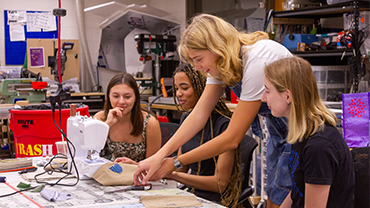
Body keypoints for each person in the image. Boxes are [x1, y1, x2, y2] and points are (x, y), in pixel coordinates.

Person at [134, 14, 292, 207]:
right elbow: (198, 115)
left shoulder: (257, 60)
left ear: (218, 48)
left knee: (287, 197)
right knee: (275, 197)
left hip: (299, 131)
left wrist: (175, 162)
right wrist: (159, 157)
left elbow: (232, 138)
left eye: (199, 59)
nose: (197, 67)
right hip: (278, 131)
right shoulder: (222, 64)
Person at [262, 56, 355, 208]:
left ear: (287, 95)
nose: (263, 98)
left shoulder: (319, 147)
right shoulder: (303, 132)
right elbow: (297, 192)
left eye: (267, 91)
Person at [166, 63, 241, 207]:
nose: (178, 93)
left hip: (216, 201)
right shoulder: (186, 119)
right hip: (191, 195)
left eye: (184, 88)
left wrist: (172, 174)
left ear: (202, 88)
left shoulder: (225, 125)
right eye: (176, 88)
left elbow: (220, 184)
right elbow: (181, 167)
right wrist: (143, 166)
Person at [94, 73, 161, 165]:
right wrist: (107, 124)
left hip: (143, 175)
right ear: (109, 97)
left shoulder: (149, 122)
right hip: (114, 173)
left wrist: (134, 165)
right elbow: (90, 152)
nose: (121, 102)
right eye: (116, 96)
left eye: (127, 97)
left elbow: (154, 166)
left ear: (135, 98)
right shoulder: (101, 118)